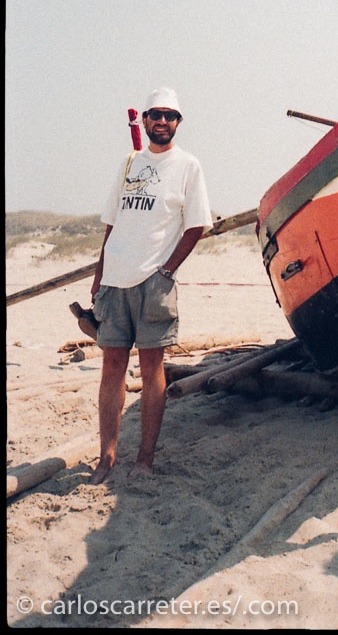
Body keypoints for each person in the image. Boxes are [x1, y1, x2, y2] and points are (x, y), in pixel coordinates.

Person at [88, 88, 211, 484]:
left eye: (169, 115)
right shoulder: (128, 163)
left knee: (151, 367)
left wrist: (167, 270)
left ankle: (144, 458)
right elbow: (112, 222)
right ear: (144, 119)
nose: (161, 121)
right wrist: (99, 272)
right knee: (111, 368)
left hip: (154, 282)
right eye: (155, 114)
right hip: (115, 280)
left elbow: (196, 226)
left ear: (178, 122)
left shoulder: (188, 166)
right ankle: (106, 457)